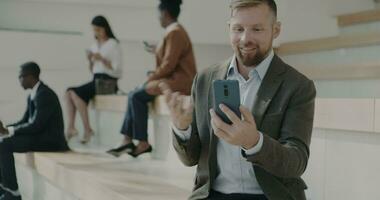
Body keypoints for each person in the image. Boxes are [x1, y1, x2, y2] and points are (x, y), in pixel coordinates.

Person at [159, 0, 316, 199]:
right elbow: (190, 159)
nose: (245, 38)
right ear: (229, 29)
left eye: (257, 29)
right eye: (238, 28)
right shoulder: (204, 79)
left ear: (276, 30)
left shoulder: (298, 86)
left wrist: (254, 142)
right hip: (213, 195)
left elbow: (296, 162)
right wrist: (182, 129)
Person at [107, 0, 197, 157]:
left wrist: (149, 79)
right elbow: (171, 57)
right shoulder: (174, 31)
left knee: (136, 95)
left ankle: (141, 142)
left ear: (164, 13)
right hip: (173, 79)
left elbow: (169, 64)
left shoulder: (175, 32)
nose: (158, 18)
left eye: (158, 14)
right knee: (134, 94)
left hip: (180, 82)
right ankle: (128, 139)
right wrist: (157, 50)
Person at [0, 62, 69, 200]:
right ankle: (4, 188)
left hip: (51, 141)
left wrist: (10, 131)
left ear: (31, 76)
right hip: (39, 137)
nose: (19, 80)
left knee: (4, 144)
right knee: (2, 141)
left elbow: (36, 125)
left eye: (21, 76)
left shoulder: (45, 94)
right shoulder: (34, 94)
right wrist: (5, 129)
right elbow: (25, 121)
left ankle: (13, 192)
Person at [65, 15, 123, 144]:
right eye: (94, 30)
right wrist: (91, 60)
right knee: (68, 92)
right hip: (96, 79)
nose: (96, 33)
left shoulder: (113, 44)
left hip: (108, 81)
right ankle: (71, 127)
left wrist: (102, 59)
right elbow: (93, 70)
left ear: (105, 28)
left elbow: (117, 70)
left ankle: (87, 129)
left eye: (98, 29)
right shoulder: (94, 45)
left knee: (75, 93)